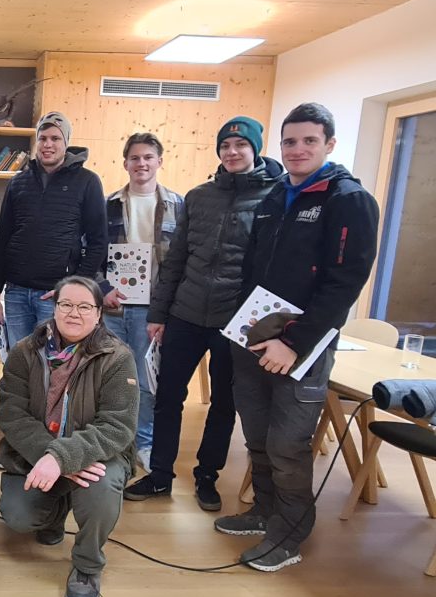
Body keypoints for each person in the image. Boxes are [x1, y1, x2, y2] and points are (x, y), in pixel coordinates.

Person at [216, 103, 379, 571]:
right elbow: (252, 267)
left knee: (289, 443)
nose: (298, 149)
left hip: (299, 346)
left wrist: (295, 342)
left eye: (309, 140)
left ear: (329, 144)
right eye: (290, 141)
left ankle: (288, 534)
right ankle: (264, 511)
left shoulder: (348, 200)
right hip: (252, 335)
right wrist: (241, 324)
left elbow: (343, 284)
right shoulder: (275, 196)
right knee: (259, 435)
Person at [125, 116, 284, 511]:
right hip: (186, 313)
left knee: (223, 404)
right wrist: (159, 313)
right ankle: (160, 474)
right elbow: (176, 259)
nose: (232, 153)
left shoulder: (274, 197)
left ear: (255, 149)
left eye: (240, 146)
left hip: (236, 321)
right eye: (225, 147)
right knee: (167, 397)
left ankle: (207, 476)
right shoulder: (198, 197)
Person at [0, 275, 137, 597]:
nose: (74, 313)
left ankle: (88, 566)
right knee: (17, 516)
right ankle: (55, 513)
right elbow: (10, 413)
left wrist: (65, 457)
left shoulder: (117, 358)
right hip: (39, 451)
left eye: (85, 306)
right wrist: (52, 455)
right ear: (54, 307)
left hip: (97, 451)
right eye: (66, 304)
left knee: (100, 486)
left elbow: (118, 425)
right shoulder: (24, 352)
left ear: (99, 313)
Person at [0, 111, 107, 349]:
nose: (48, 144)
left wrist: (73, 289)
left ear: (66, 143)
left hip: (56, 296)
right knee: (18, 366)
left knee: (54, 366)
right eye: (42, 138)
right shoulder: (17, 183)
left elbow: (98, 242)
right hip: (17, 294)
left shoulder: (87, 182)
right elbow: (4, 242)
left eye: (55, 138)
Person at [101, 133, 184, 473]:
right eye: (135, 158)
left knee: (146, 379)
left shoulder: (179, 206)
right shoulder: (108, 204)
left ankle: (143, 442)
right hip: (114, 305)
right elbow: (94, 250)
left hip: (153, 309)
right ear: (125, 163)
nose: (142, 164)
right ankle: (113, 440)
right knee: (110, 376)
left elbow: (182, 260)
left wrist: (166, 309)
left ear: (159, 161)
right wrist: (102, 287)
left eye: (148, 157)